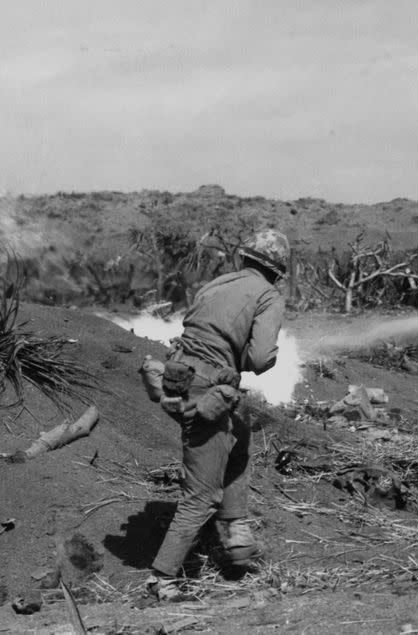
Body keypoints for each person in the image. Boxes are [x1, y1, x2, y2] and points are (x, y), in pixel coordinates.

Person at [146, 228, 289, 600]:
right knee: (202, 493)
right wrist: (253, 358)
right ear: (277, 272)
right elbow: (259, 359)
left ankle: (234, 530)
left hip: (179, 375)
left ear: (244, 259)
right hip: (208, 386)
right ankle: (162, 577)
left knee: (239, 435)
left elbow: (195, 327)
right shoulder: (269, 295)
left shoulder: (217, 283)